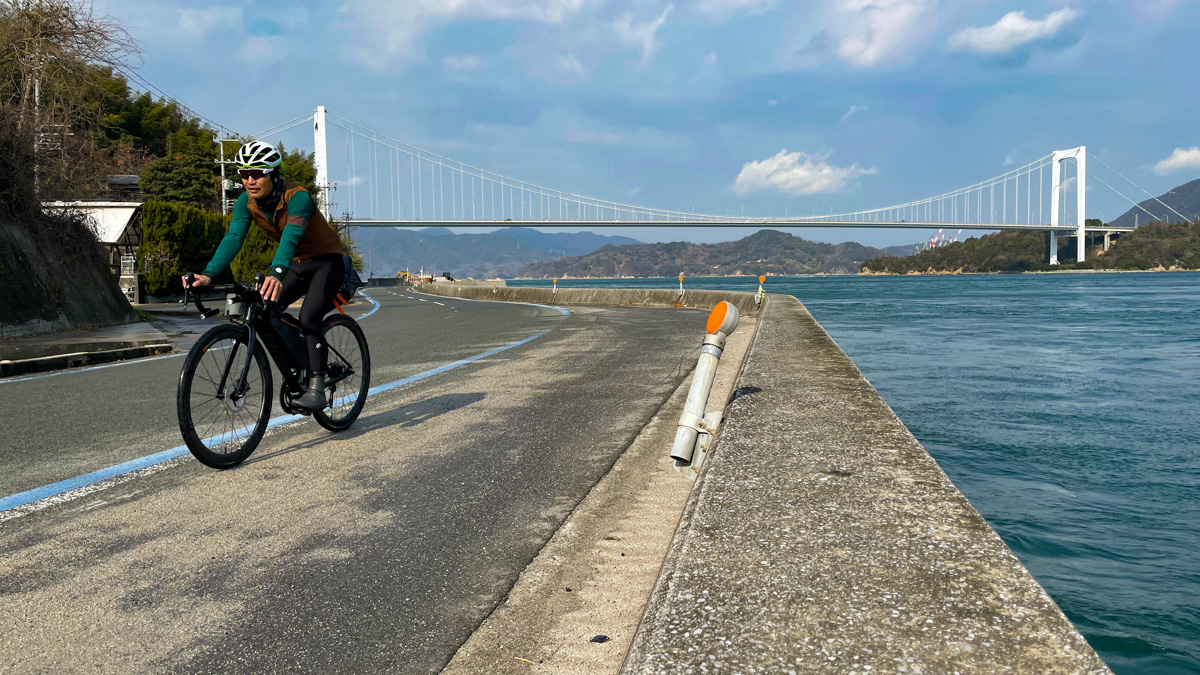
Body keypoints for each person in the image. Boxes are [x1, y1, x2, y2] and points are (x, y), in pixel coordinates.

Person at [186, 140, 345, 411]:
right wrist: (209, 274)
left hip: (327, 262)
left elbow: (291, 237)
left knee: (309, 317)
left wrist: (277, 272)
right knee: (263, 308)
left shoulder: (298, 197)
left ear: (273, 174)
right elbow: (234, 237)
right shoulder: (245, 204)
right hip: (296, 263)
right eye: (244, 175)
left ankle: (317, 387)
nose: (250, 180)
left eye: (257, 173)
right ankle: (300, 363)